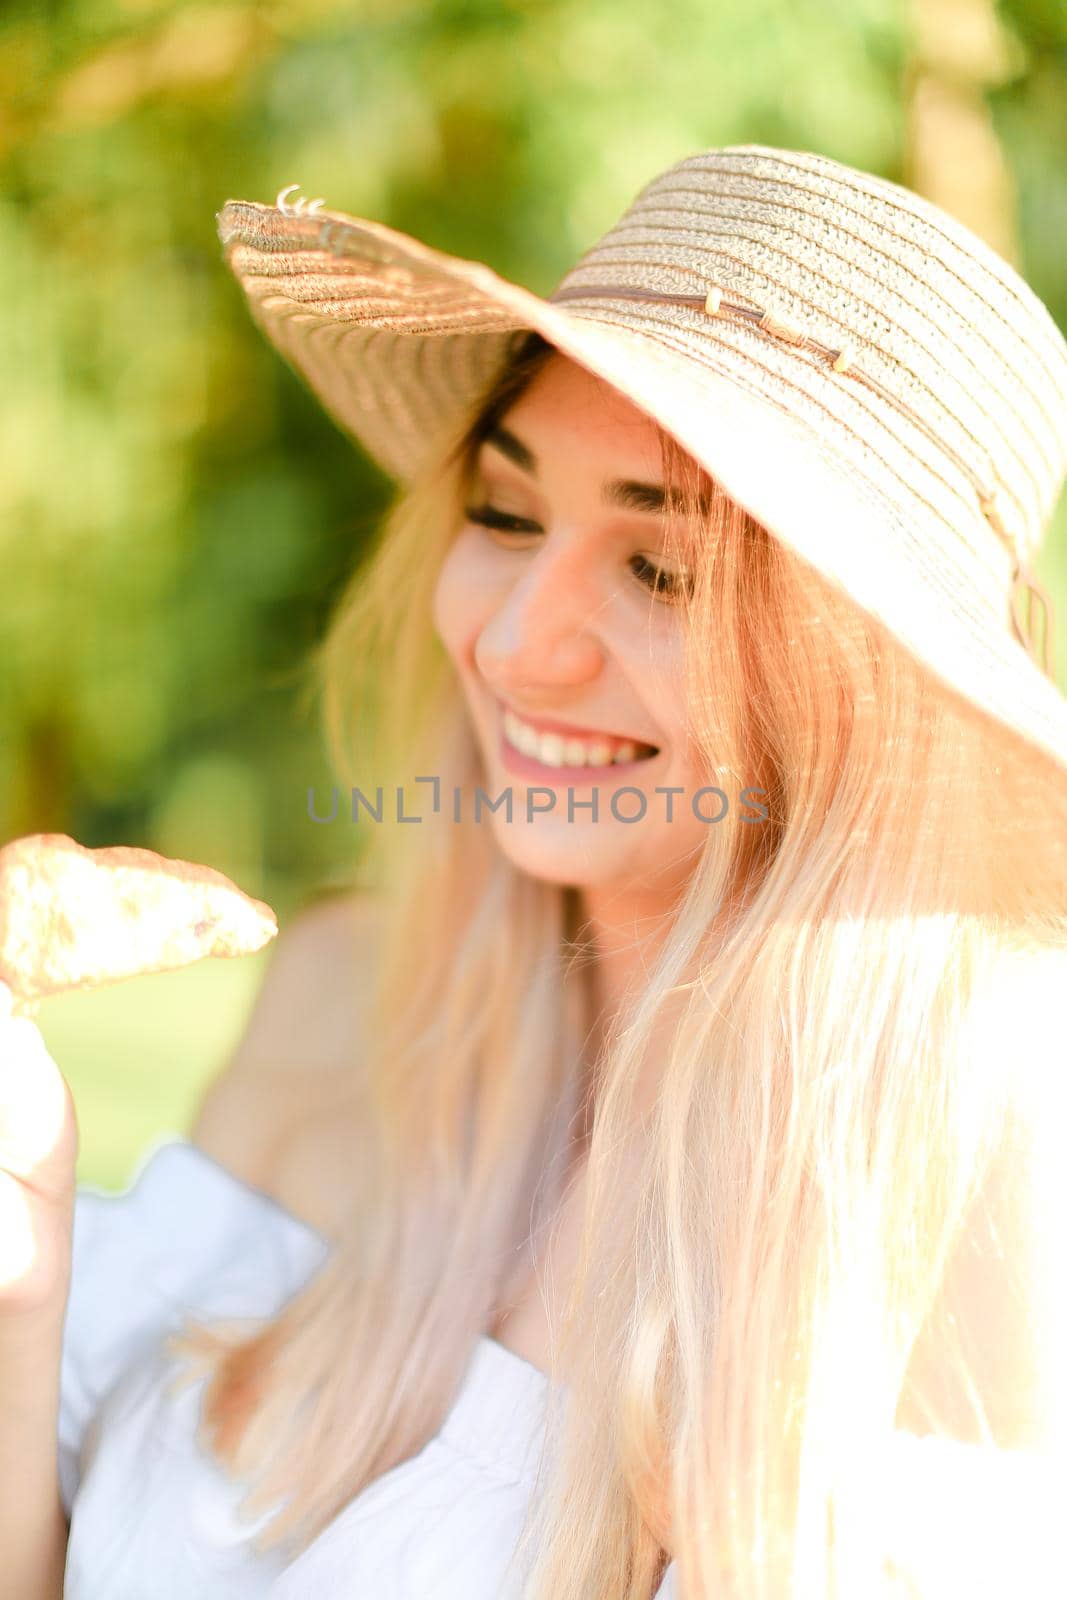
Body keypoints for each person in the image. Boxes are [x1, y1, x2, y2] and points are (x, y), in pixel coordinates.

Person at [3, 143, 1067, 1600]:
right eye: (506, 517)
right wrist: (24, 1279)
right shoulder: (340, 1001)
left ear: (873, 679)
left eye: (662, 569)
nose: (513, 644)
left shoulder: (992, 1148)